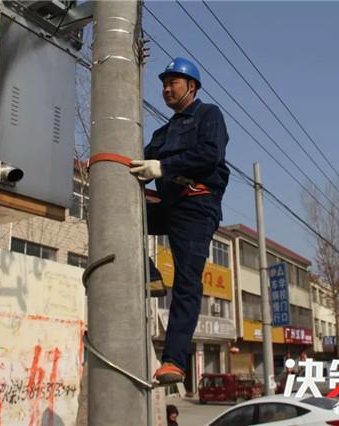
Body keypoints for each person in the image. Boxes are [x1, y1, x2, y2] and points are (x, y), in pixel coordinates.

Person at [130, 57, 230, 384]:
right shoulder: (163, 132)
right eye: (163, 83)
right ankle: (150, 275)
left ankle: (174, 361)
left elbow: (210, 155)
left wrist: (163, 168)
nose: (166, 89)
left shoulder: (208, 115)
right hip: (169, 205)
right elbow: (139, 163)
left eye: (173, 82)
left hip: (196, 206)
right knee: (122, 216)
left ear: (192, 86)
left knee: (187, 281)